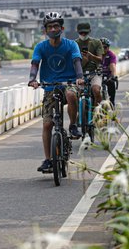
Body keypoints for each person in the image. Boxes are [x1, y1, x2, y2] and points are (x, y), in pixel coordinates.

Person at [28, 12, 84, 173]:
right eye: (50, 27)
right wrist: (32, 79)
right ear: (45, 30)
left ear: (62, 28)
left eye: (56, 26)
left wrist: (79, 77)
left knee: (72, 94)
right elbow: (35, 64)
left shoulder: (71, 45)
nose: (53, 29)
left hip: (69, 83)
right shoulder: (40, 47)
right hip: (49, 86)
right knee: (47, 124)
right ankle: (47, 160)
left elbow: (77, 61)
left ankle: (73, 125)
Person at [74, 22, 104, 106]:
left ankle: (97, 114)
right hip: (79, 75)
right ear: (77, 31)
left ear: (90, 31)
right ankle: (78, 114)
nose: (83, 34)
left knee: (96, 91)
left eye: (85, 32)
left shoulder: (96, 42)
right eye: (81, 32)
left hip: (94, 73)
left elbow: (100, 59)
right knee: (74, 94)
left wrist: (91, 56)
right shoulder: (74, 44)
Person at [100, 38, 117, 105]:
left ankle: (112, 103)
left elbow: (112, 66)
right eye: (101, 47)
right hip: (97, 75)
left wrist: (113, 76)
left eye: (105, 47)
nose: (103, 49)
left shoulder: (111, 55)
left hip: (107, 75)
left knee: (111, 84)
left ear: (108, 47)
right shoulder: (95, 54)